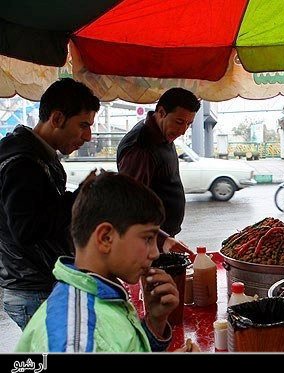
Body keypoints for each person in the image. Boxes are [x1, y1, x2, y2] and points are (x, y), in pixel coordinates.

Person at [16, 172, 198, 352]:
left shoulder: (99, 296)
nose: (155, 253)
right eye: (148, 238)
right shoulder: (77, 338)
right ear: (105, 238)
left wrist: (155, 322)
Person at [0, 78, 100, 329]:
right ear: (57, 119)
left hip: (39, 283)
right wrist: (79, 197)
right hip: (33, 288)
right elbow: (26, 229)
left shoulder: (39, 155)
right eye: (83, 125)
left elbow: (46, 208)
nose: (87, 136)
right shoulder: (22, 163)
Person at [117, 88, 200, 252]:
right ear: (161, 112)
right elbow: (129, 207)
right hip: (147, 242)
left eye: (188, 124)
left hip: (161, 238)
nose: (183, 131)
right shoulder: (141, 148)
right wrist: (162, 240)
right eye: (179, 122)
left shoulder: (162, 135)